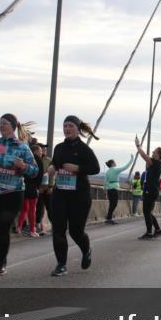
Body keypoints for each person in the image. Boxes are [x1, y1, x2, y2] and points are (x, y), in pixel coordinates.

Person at [0, 114, 37, 275]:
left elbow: (35, 171)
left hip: (13, 192)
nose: (1, 126)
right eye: (0, 123)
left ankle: (0, 262)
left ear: (13, 126)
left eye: (4, 123)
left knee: (3, 226)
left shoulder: (23, 148)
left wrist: (24, 166)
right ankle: (2, 251)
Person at [48, 117, 100, 276]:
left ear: (77, 129)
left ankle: (86, 250)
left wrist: (77, 168)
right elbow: (56, 162)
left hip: (79, 196)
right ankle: (61, 264)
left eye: (70, 126)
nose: (67, 128)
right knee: (58, 230)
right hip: (60, 193)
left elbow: (95, 168)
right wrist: (51, 167)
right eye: (64, 126)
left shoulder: (84, 149)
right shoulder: (59, 147)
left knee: (76, 231)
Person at [134, 139, 161, 239]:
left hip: (150, 191)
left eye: (154, 152)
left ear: (159, 155)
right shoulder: (157, 164)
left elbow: (143, 156)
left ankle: (149, 232)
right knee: (148, 211)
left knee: (146, 212)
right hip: (152, 190)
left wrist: (138, 145)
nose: (152, 153)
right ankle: (157, 229)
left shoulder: (156, 163)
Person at [16, 141, 44, 237]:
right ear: (35, 151)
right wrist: (38, 187)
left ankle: (19, 227)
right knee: (32, 209)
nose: (42, 153)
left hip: (23, 186)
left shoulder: (24, 158)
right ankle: (32, 230)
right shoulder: (38, 160)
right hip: (32, 187)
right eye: (40, 151)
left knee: (24, 209)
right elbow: (40, 175)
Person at [103, 156, 132, 224]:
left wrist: (105, 189)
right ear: (112, 164)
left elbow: (105, 181)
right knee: (114, 204)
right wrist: (131, 160)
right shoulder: (115, 170)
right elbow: (125, 167)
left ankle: (109, 218)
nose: (116, 163)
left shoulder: (108, 171)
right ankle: (109, 218)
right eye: (114, 162)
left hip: (109, 189)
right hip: (114, 189)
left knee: (111, 204)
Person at [36, 143, 53, 234]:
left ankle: (54, 226)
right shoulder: (35, 160)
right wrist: (38, 187)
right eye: (42, 149)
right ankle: (38, 226)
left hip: (48, 188)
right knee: (39, 207)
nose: (44, 151)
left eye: (45, 149)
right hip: (39, 188)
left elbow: (52, 175)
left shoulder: (49, 161)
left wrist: (51, 187)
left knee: (50, 207)